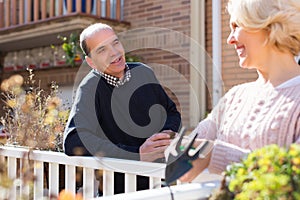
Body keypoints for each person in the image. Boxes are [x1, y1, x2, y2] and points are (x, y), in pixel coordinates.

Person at [179, 0, 300, 182]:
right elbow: (195, 141)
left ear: (269, 26)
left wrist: (215, 156)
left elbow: (293, 175)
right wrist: (164, 145)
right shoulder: (235, 97)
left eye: (236, 26)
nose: (230, 39)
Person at [63, 23, 181, 193]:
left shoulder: (144, 73)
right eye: (101, 49)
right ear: (91, 62)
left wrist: (163, 136)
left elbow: (170, 111)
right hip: (120, 190)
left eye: (115, 43)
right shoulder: (89, 88)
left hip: (161, 182)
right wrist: (136, 154)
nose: (114, 52)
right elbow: (73, 141)